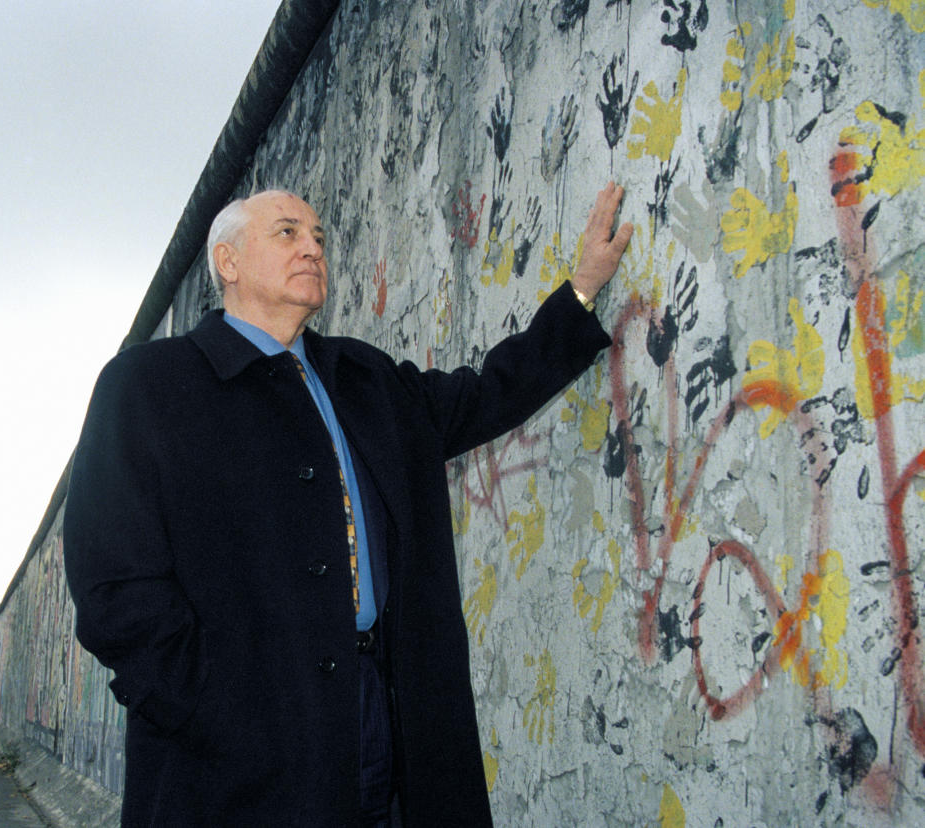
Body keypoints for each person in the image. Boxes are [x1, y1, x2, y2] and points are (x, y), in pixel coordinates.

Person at [63, 184, 633, 826]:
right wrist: (210, 709)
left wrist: (583, 288)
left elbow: (484, 397)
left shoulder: (363, 378)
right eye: (287, 233)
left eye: (319, 238)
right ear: (227, 261)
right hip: (237, 739)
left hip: (383, 708)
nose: (312, 248)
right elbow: (114, 585)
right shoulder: (148, 386)